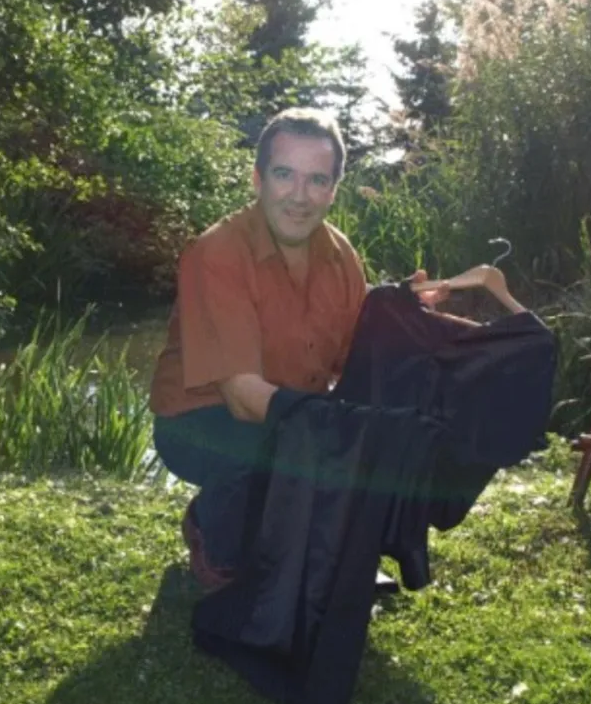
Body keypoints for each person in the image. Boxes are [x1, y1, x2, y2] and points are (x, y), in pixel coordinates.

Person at [148, 107, 444, 589]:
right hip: (200, 420)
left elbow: (356, 364)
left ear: (333, 189)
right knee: (268, 449)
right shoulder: (216, 252)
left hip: (289, 412)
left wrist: (405, 319)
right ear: (258, 179)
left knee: (375, 426)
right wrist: (331, 429)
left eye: (317, 180)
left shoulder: (341, 255)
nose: (300, 196)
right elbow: (243, 399)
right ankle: (215, 537)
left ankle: (336, 551)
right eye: (284, 175)